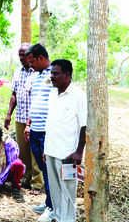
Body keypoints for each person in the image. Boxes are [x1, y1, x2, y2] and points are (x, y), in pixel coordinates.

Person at [44, 59, 87, 222]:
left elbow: (84, 125)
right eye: (51, 73)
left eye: (56, 73)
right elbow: (51, 123)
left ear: (67, 75)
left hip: (68, 155)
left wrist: (79, 151)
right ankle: (60, 218)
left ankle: (68, 220)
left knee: (68, 193)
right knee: (55, 192)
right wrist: (45, 150)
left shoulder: (79, 96)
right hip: (51, 151)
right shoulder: (52, 93)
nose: (52, 76)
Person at [4, 43, 44, 195]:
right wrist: (8, 114)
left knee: (35, 151)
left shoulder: (38, 73)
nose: (21, 58)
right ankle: (25, 178)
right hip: (20, 117)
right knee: (23, 151)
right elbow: (14, 95)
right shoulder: (17, 72)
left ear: (31, 55)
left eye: (24, 55)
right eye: (19, 55)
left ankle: (37, 183)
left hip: (35, 119)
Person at [23, 43, 56, 221]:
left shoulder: (55, 75)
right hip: (35, 129)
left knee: (50, 169)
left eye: (32, 61)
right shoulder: (35, 76)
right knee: (44, 169)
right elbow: (34, 102)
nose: (30, 65)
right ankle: (49, 201)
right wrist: (28, 125)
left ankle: (53, 208)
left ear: (41, 58)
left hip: (47, 131)